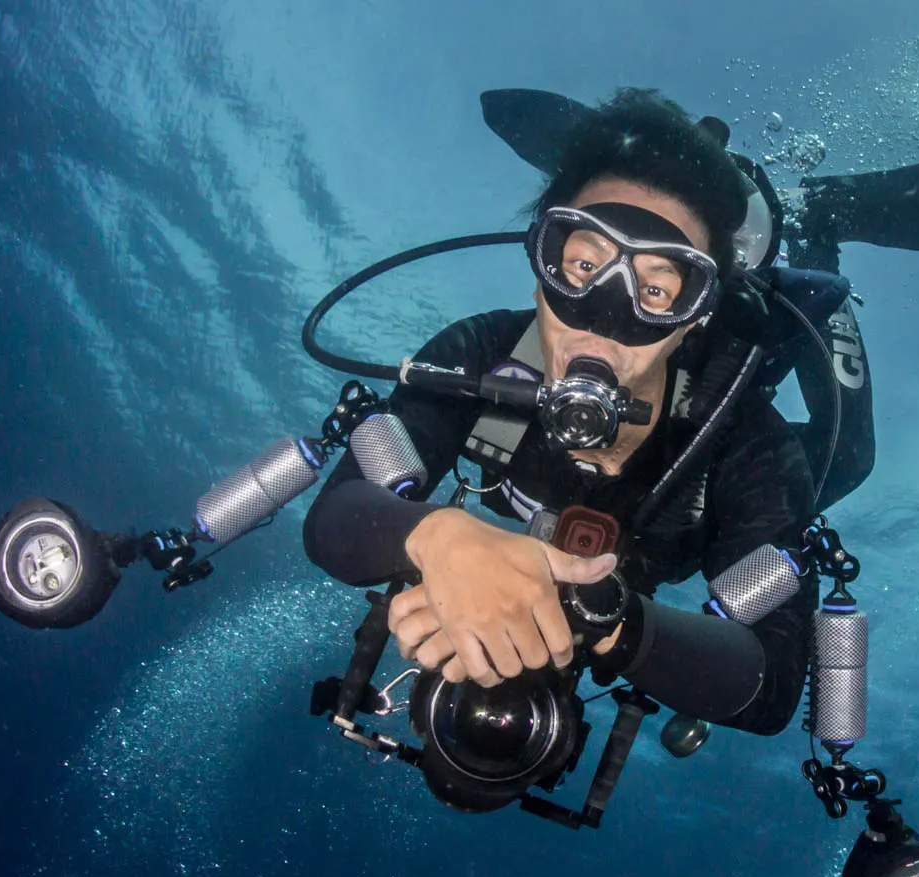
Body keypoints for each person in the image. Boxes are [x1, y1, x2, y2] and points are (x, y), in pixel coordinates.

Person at [302, 88, 853, 734]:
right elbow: (332, 522)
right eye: (584, 264)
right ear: (541, 271)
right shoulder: (483, 356)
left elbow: (771, 687)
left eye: (656, 289)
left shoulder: (745, 445)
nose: (606, 315)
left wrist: (594, 611)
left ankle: (821, 232)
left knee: (847, 463)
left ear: (692, 322)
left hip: (721, 490)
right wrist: (440, 540)